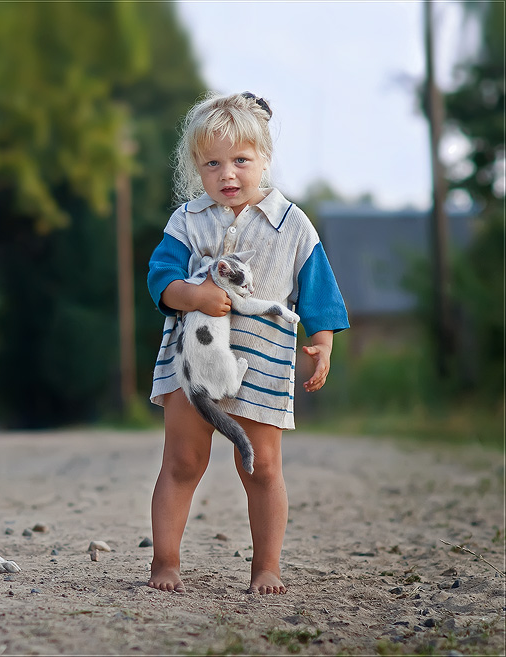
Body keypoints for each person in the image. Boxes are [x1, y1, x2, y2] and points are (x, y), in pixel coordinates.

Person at [146, 92, 349, 594]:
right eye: (213, 164)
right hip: (191, 365)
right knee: (181, 463)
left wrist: (321, 343)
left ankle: (266, 567)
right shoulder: (187, 221)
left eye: (241, 160)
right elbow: (160, 278)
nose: (227, 174)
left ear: (264, 159)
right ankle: (165, 562)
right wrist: (191, 294)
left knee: (261, 467)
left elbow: (318, 290)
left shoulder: (293, 225)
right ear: (197, 168)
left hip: (261, 366)